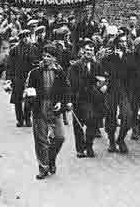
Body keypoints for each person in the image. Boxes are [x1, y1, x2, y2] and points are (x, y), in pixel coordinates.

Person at [25, 46, 72, 179]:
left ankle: (51, 159)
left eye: (49, 56)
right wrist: (30, 96)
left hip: (54, 109)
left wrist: (62, 102)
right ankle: (43, 167)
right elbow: (29, 90)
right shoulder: (35, 73)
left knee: (60, 137)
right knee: (41, 140)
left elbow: (66, 90)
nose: (45, 58)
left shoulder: (60, 73)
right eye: (44, 55)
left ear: (54, 59)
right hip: (40, 108)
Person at [68, 40, 104, 158]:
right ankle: (80, 149)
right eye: (87, 50)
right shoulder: (75, 66)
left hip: (93, 99)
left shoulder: (97, 65)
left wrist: (102, 85)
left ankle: (89, 145)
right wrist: (69, 101)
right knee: (78, 125)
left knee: (93, 122)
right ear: (82, 51)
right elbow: (71, 84)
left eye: (91, 50)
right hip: (79, 98)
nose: (89, 52)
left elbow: (102, 79)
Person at [101, 33, 134, 153]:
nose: (124, 44)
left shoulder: (130, 56)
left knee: (128, 115)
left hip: (124, 90)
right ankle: (111, 141)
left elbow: (132, 72)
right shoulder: (109, 57)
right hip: (111, 89)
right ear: (116, 43)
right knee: (111, 116)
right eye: (121, 41)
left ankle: (121, 139)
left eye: (125, 41)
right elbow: (106, 71)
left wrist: (123, 58)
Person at [6, 29, 40, 127]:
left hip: (30, 78)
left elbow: (37, 63)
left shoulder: (34, 48)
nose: (26, 39)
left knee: (29, 99)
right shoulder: (14, 49)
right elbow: (10, 65)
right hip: (17, 77)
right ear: (20, 39)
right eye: (23, 37)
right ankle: (19, 119)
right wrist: (9, 78)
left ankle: (28, 118)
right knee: (17, 100)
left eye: (27, 36)